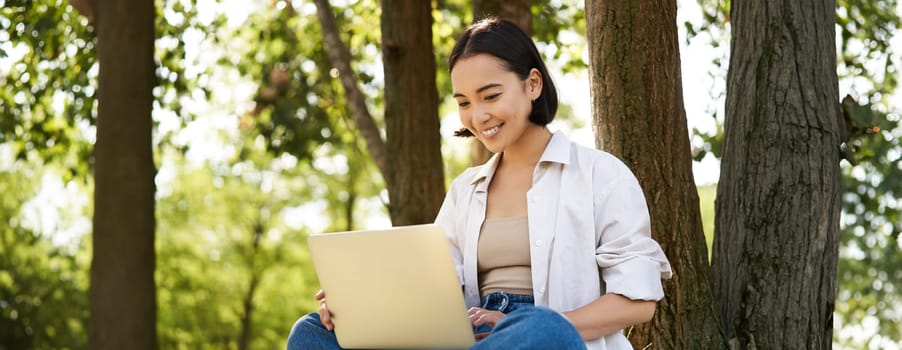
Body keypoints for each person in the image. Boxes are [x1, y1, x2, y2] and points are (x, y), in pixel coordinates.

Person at [287, 18, 672, 350]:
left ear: (532, 84)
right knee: (311, 331)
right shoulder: (466, 190)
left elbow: (637, 302)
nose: (478, 115)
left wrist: (526, 324)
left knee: (542, 327)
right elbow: (430, 292)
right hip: (471, 337)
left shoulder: (601, 175)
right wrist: (357, 305)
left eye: (490, 96)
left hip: (545, 339)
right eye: (464, 102)